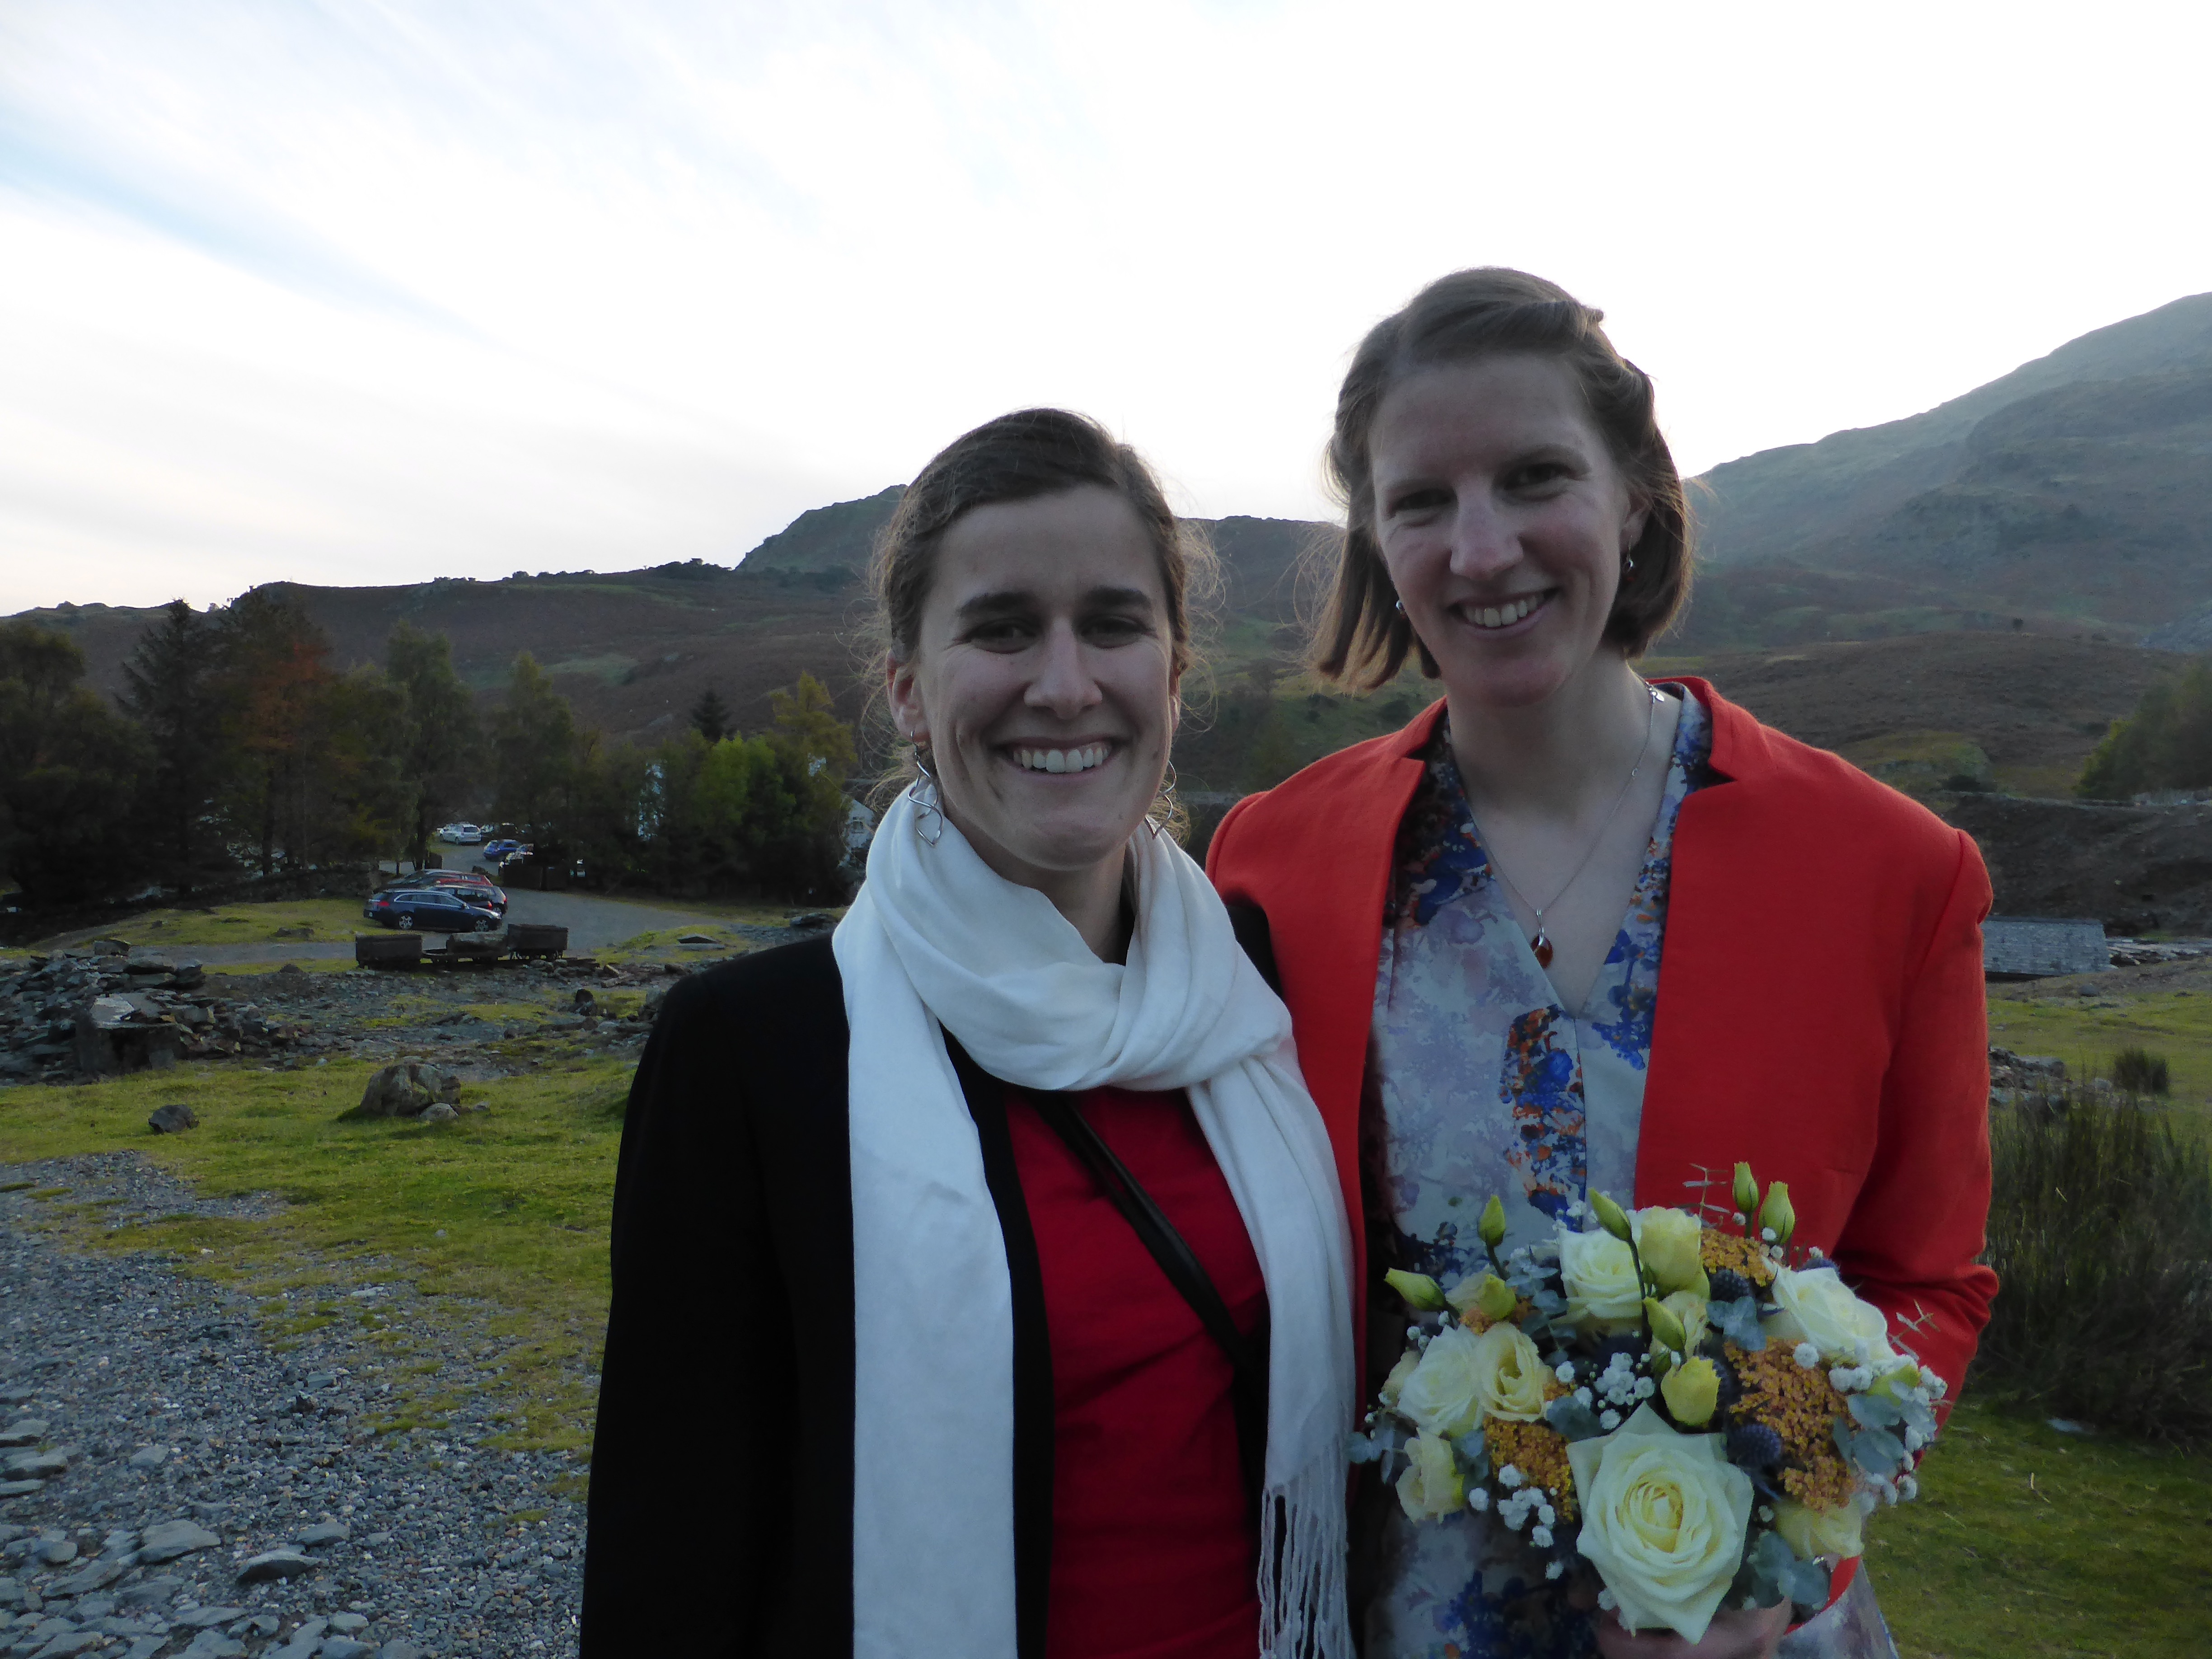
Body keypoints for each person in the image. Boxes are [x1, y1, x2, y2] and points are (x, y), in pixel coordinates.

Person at [1205, 271, 1997, 1659]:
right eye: (1422, 502)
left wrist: (1778, 1553)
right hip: (1401, 1620)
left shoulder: (1893, 870)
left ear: (1634, 497)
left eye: (1535, 478)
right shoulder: (1273, 863)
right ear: (1377, 543)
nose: (1483, 548)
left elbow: (1926, 1282)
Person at [582, 408, 1357, 1659]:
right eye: (1002, 629)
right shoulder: (755, 1053)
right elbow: (671, 1558)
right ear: (908, 688)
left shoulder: (1258, 995)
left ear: (1174, 672)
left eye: (1113, 624)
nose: (1065, 683)